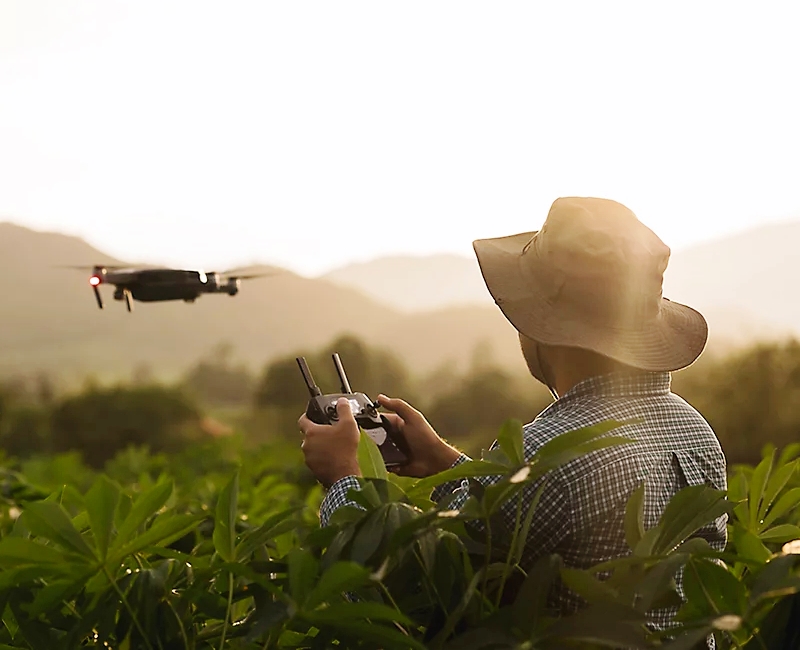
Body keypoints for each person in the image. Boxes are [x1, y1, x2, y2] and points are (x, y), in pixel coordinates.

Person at [298, 197, 727, 638]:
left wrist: (344, 480)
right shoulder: (695, 431)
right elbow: (518, 526)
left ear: (543, 328)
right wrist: (448, 464)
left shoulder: (546, 453)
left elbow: (416, 598)